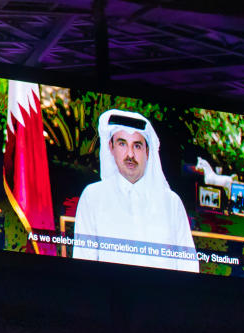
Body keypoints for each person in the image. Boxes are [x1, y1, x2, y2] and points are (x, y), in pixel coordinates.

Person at [72, 109, 199, 272]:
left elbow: (188, 265)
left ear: (147, 151)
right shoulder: (93, 197)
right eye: (122, 143)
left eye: (137, 146)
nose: (130, 154)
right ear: (111, 147)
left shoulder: (171, 203)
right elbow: (84, 263)